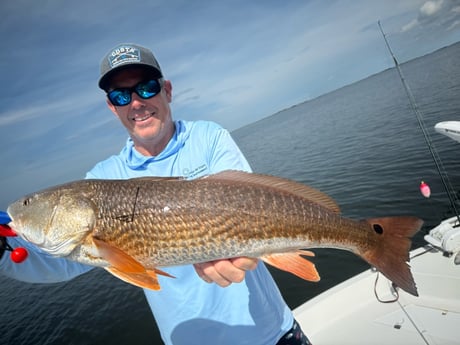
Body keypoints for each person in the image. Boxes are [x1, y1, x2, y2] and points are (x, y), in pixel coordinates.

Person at [0, 43, 312, 345]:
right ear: (112, 106)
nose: (136, 102)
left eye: (147, 87)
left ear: (168, 90)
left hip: (273, 334)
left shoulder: (209, 138)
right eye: (121, 95)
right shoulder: (101, 178)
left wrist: (218, 247)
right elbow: (61, 261)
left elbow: (250, 204)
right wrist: (5, 253)